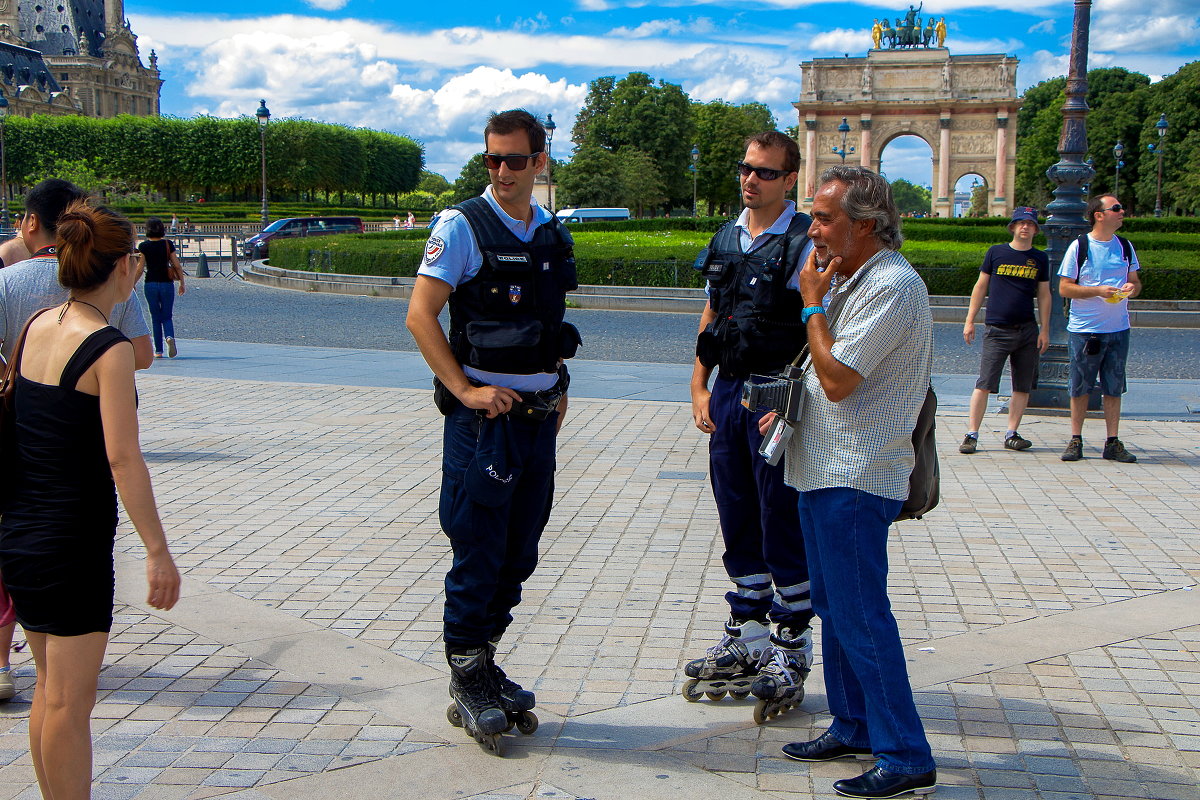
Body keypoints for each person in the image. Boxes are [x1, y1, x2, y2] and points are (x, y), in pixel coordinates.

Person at [405, 109, 580, 752]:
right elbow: (420, 316)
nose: (502, 172)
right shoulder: (461, 226)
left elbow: (546, 324)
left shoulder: (547, 231)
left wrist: (558, 385)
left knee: (521, 549)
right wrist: (465, 391)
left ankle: (481, 658)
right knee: (478, 546)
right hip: (486, 424)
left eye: (514, 160)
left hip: (537, 417)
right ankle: (467, 672)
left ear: (539, 162)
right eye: (492, 160)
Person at [0, 199, 180, 800]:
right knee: (69, 706)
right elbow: (122, 456)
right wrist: (158, 550)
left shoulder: (35, 326)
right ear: (126, 267)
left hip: (21, 532)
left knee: (50, 694)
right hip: (71, 541)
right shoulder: (108, 349)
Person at [773, 166, 937, 799]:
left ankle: (905, 751)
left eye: (823, 218)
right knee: (835, 605)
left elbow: (840, 378)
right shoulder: (854, 275)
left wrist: (812, 303)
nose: (810, 228)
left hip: (859, 470)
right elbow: (819, 370)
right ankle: (854, 723)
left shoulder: (893, 285)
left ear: (864, 224)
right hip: (821, 464)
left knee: (863, 611)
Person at [685, 131, 816, 722]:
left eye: (764, 172)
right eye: (746, 169)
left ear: (789, 179)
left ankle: (791, 640)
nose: (750, 180)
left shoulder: (802, 240)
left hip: (776, 394)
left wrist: (797, 396)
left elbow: (821, 322)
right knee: (735, 511)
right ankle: (748, 629)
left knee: (778, 516)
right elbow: (714, 312)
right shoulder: (727, 235)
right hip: (731, 388)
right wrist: (697, 382)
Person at [0, 180, 153, 369]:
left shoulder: (5, 281)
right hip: (96, 394)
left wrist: (13, 377)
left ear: (32, 221)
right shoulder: (108, 278)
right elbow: (143, 355)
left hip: (24, 395)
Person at [960, 206, 1050, 454]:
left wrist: (1045, 329)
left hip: (1027, 329)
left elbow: (1044, 295)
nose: (1025, 227)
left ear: (1035, 229)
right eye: (1021, 223)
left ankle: (1012, 433)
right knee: (985, 382)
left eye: (1030, 224)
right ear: (1012, 227)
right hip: (997, 328)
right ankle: (972, 433)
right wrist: (970, 320)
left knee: (1022, 385)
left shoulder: (1040, 258)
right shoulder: (996, 253)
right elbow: (980, 287)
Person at [1058, 194, 1140, 463]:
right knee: (1079, 386)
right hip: (1085, 329)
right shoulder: (1079, 247)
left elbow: (1136, 282)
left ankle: (1112, 441)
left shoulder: (1125, 247)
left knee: (1114, 386)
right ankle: (1075, 439)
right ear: (1099, 215)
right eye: (1116, 208)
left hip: (1118, 328)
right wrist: (1098, 291)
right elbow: (1064, 287)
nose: (1122, 211)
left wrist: (1131, 288)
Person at [138, 217, 186, 359]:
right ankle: (169, 337)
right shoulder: (167, 244)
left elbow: (140, 268)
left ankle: (158, 350)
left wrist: (132, 284)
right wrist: (182, 282)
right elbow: (176, 264)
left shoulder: (144, 246)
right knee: (167, 315)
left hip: (150, 283)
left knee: (155, 317)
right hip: (166, 283)